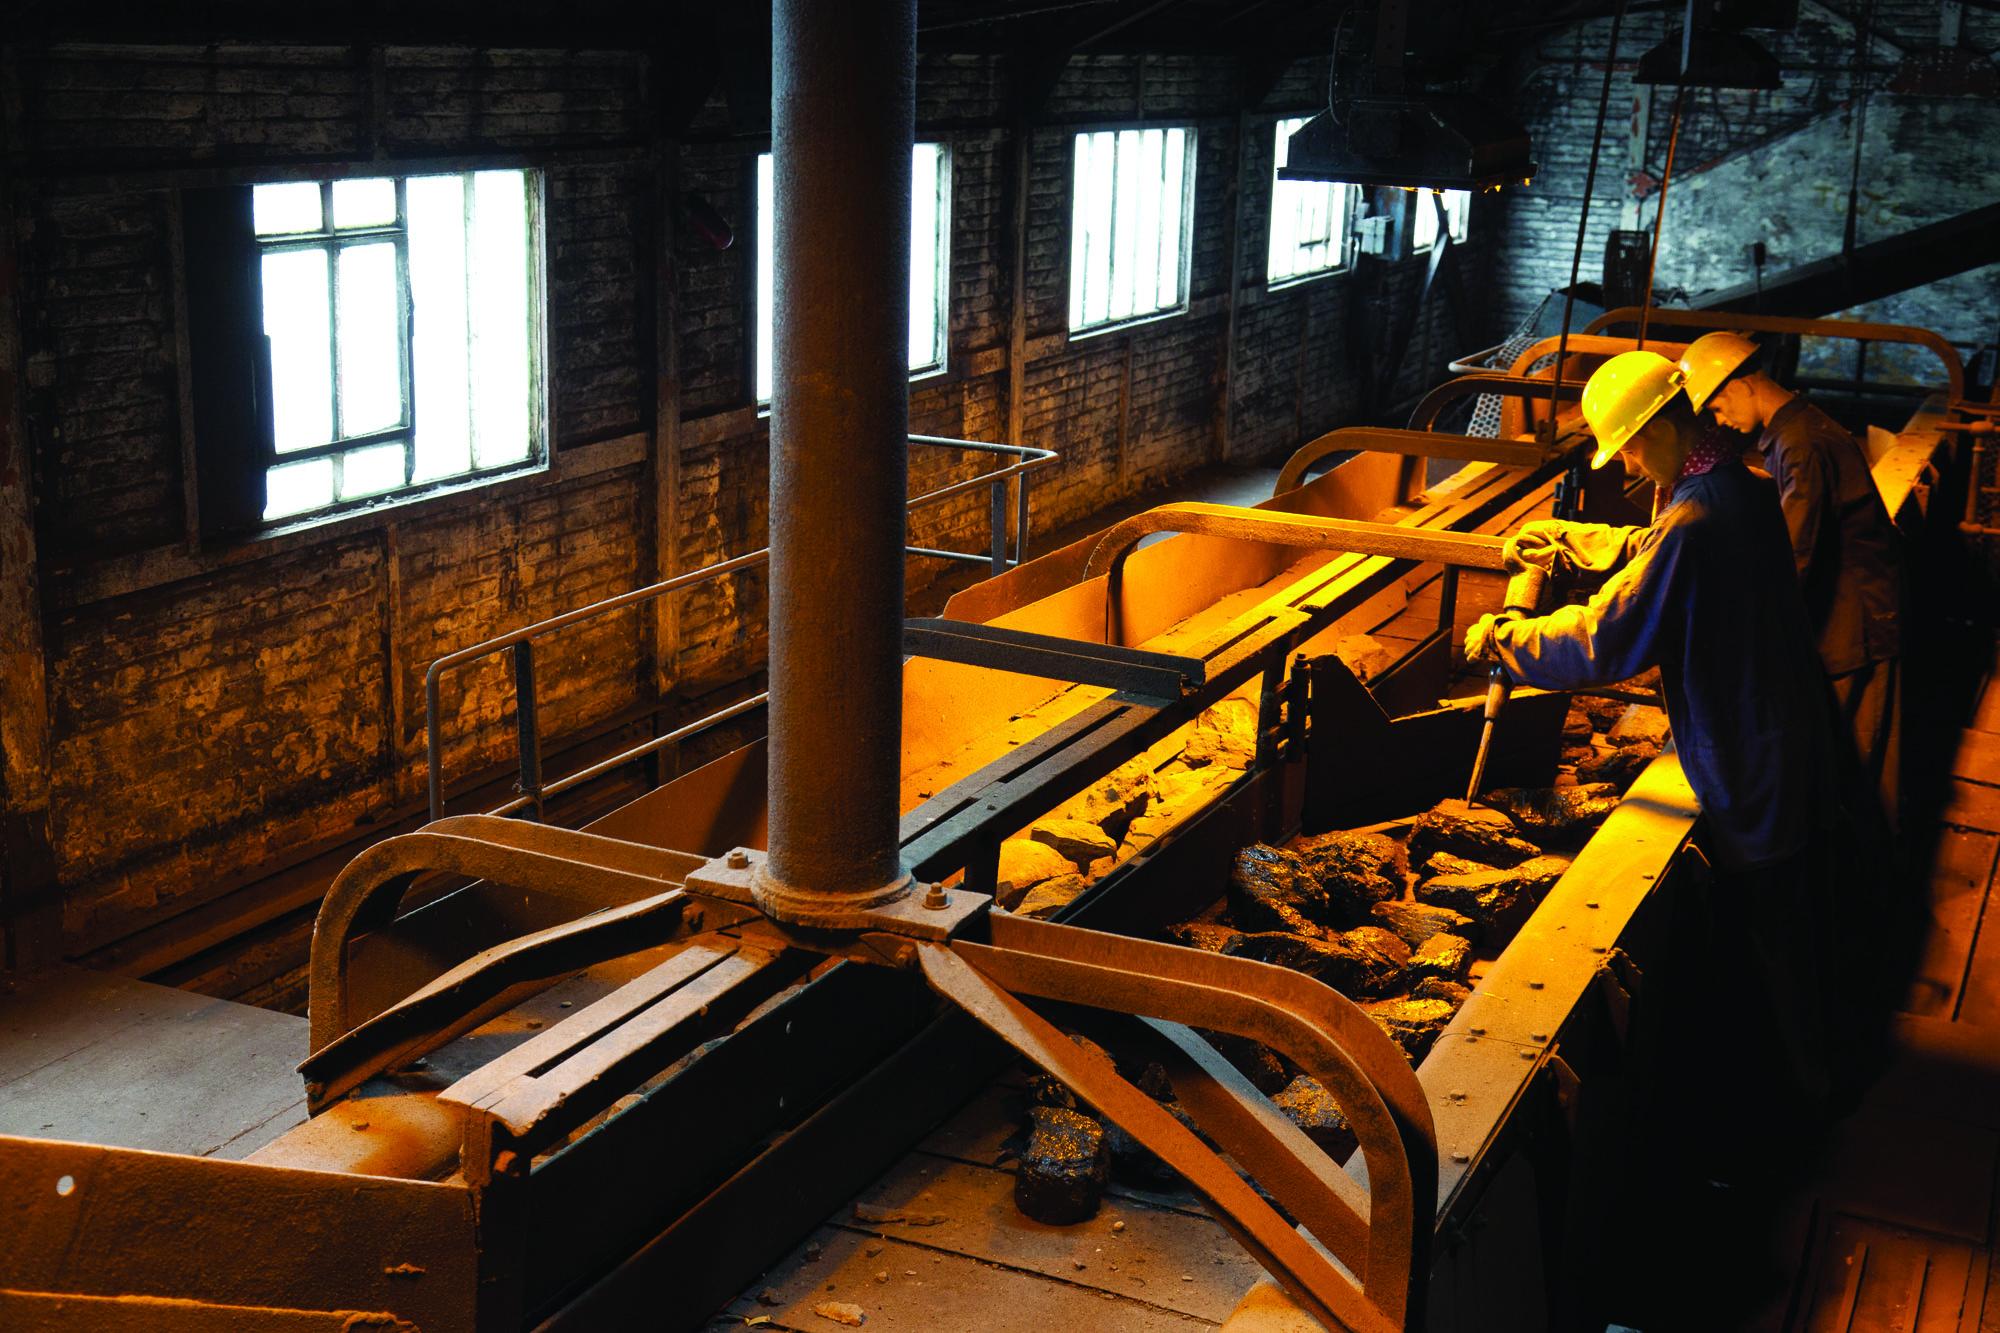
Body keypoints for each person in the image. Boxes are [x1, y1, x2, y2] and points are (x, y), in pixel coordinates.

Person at [1464, 349, 1841, 1110]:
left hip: (1742, 755)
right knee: (1784, 932)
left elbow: (1608, 640)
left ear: (1666, 425)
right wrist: (1572, 538)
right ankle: (1802, 1086)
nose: (1630, 461)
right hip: (1774, 734)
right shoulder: (1736, 486)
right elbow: (1656, 551)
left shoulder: (1699, 518)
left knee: (1767, 947)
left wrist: (1507, 637)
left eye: (1632, 442)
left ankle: (1799, 1108)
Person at [1680, 330, 1904, 835]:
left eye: (1716, 407)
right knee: (1848, 773)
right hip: (1847, 621)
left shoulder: (1800, 446)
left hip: (1857, 632)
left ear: (1739, 384)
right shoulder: (1794, 433)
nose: (1720, 420)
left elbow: (1794, 557)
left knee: (1863, 782)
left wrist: (1728, 635)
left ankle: (1881, 901)